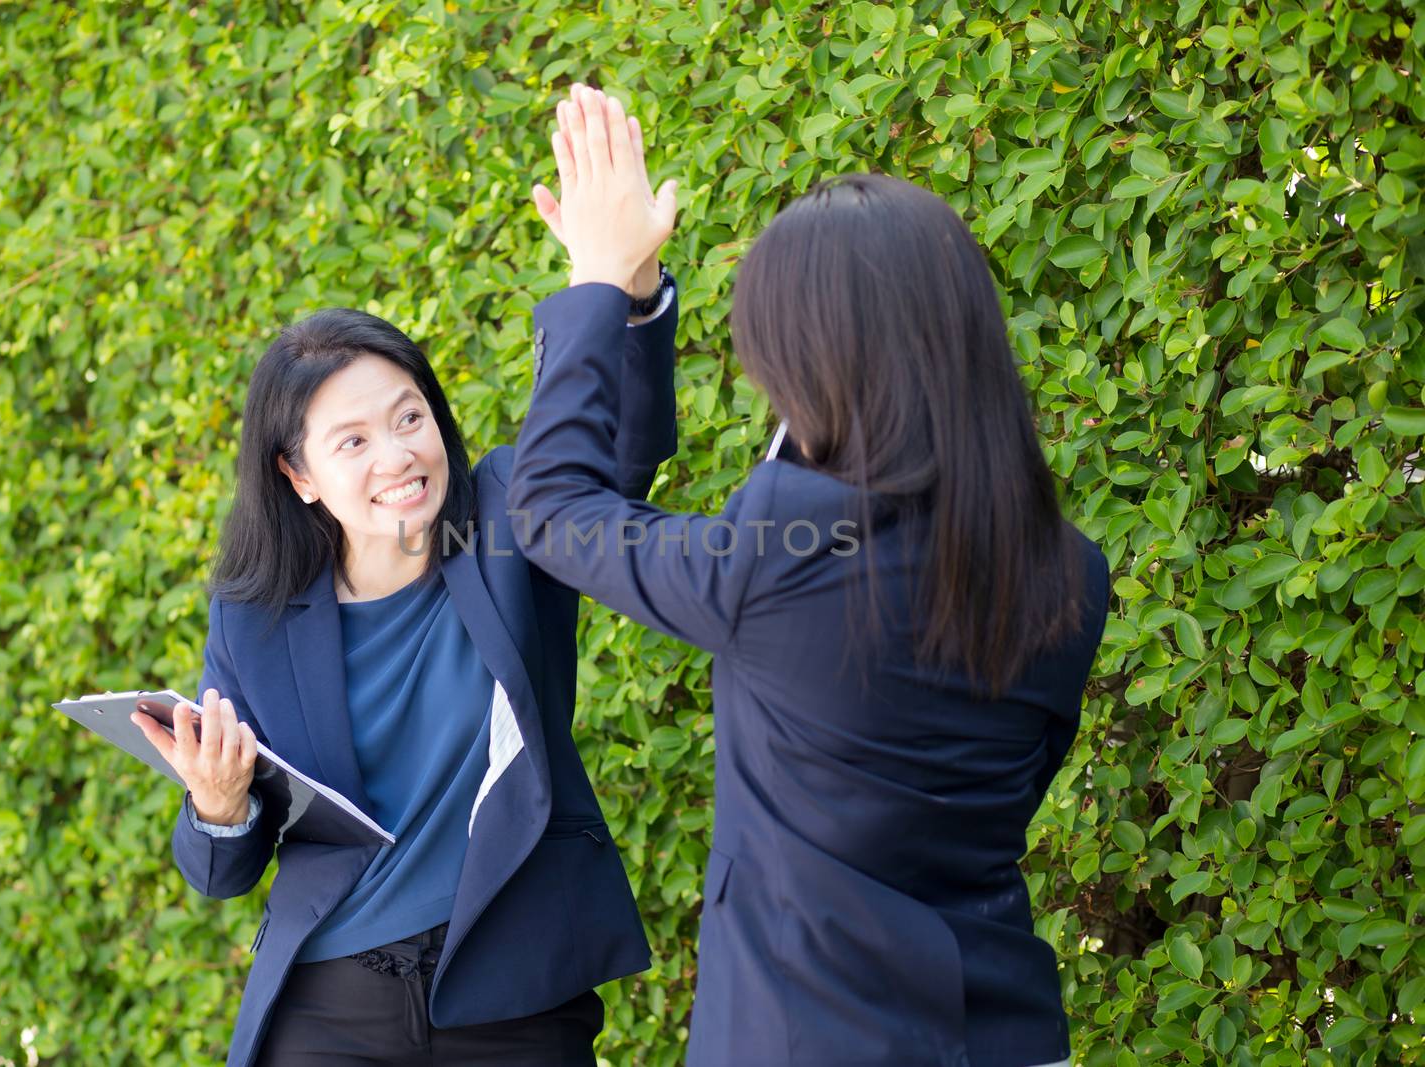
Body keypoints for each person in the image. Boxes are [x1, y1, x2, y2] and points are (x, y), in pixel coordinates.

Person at [508, 85, 1110, 1067]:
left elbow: (553, 510)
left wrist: (598, 282)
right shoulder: (1068, 570)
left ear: (805, 354)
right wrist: (636, 298)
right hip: (1002, 1033)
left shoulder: (789, 543)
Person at [129, 85, 681, 1067]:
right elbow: (222, 873)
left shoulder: (512, 511)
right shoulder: (253, 615)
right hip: (331, 1001)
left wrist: (623, 288)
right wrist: (215, 805)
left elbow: (620, 446)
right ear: (298, 476)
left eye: (409, 416)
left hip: (512, 994)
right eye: (351, 439)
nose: (397, 454)